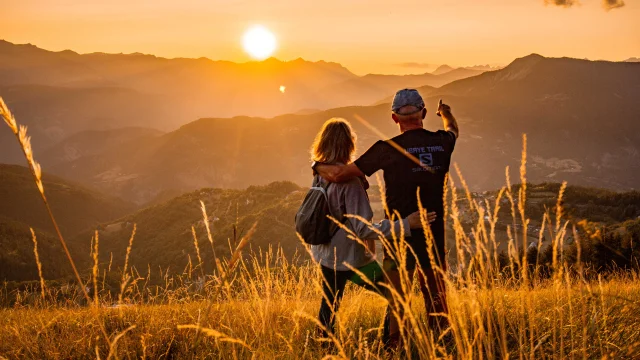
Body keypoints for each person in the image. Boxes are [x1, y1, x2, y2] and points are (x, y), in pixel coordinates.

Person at [315, 89, 459, 346]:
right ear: (424, 113)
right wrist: (445, 113)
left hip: (398, 239)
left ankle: (395, 347)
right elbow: (453, 129)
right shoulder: (443, 142)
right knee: (436, 298)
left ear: (394, 119)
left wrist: (316, 166)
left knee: (398, 299)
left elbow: (339, 175)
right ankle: (443, 344)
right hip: (433, 237)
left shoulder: (386, 149)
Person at [307, 118, 436, 338]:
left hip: (326, 254)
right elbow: (363, 230)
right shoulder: (350, 183)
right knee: (395, 293)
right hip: (351, 261)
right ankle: (389, 342)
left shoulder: (322, 174)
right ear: (349, 144)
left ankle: (322, 346)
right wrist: (406, 224)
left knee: (329, 303)